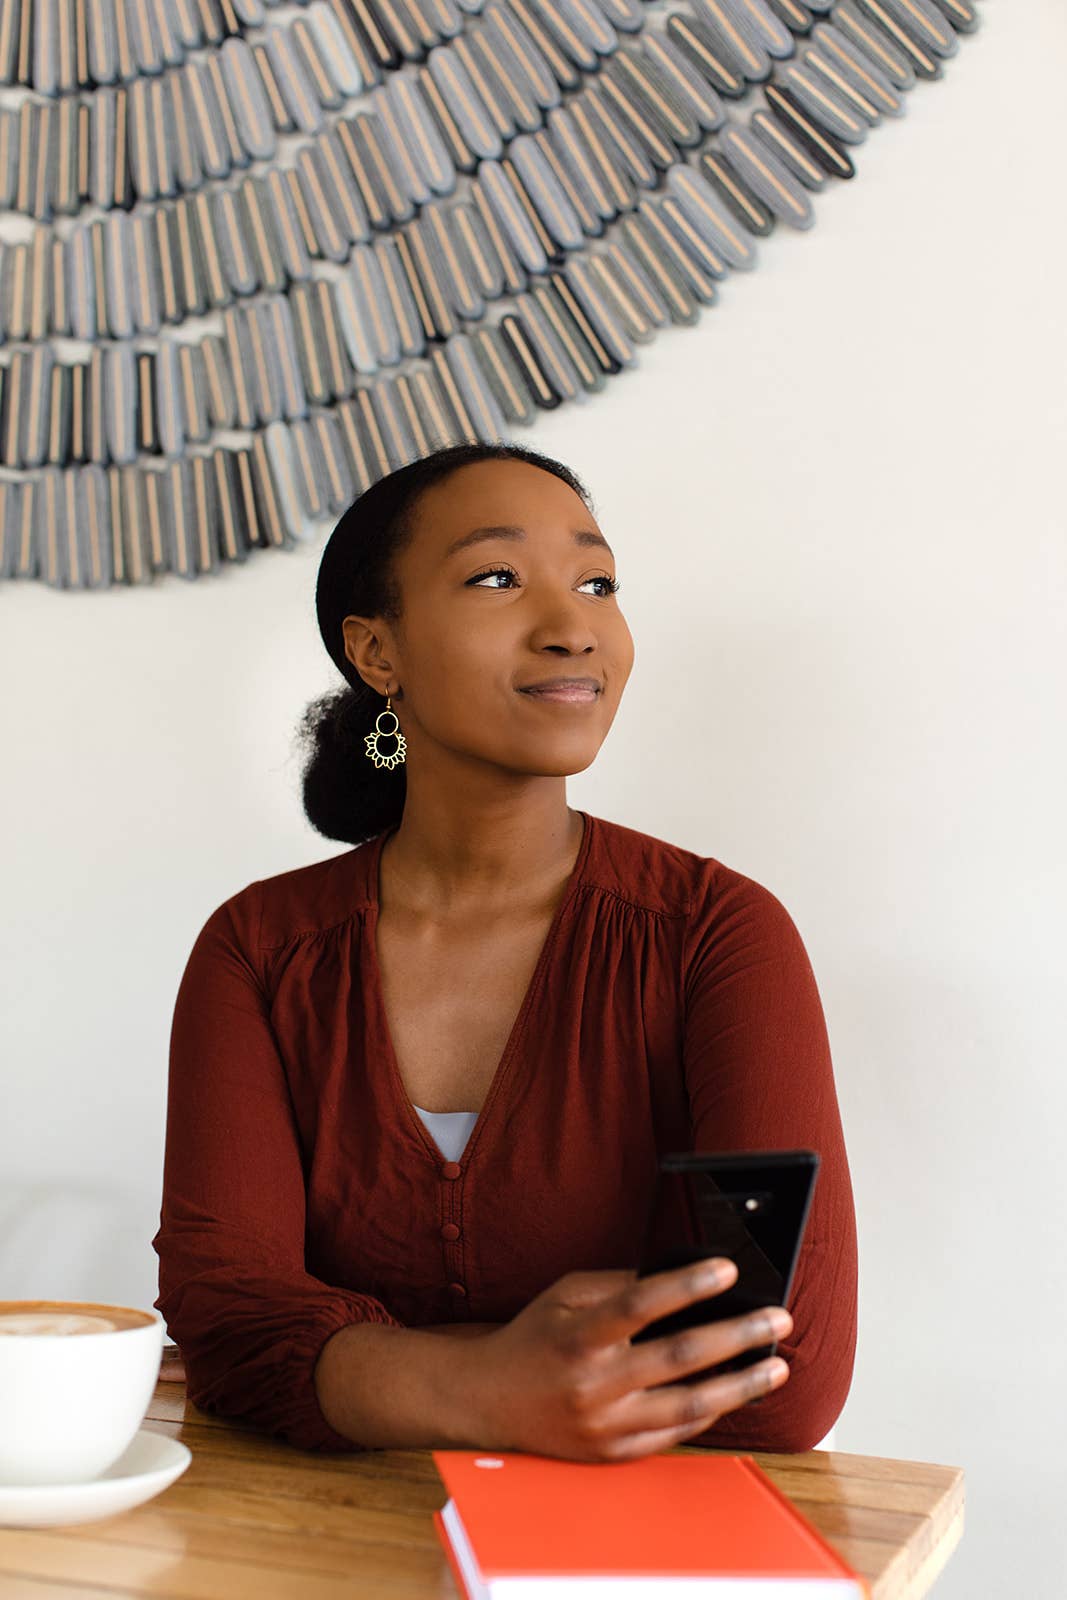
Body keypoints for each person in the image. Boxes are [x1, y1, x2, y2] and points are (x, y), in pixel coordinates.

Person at [152, 441, 858, 1463]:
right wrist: (486, 1385)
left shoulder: (717, 935)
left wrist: (370, 1366)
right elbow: (226, 1329)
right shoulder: (258, 953)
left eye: (597, 581)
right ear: (375, 650)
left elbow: (775, 1379)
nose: (573, 627)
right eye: (495, 577)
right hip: (319, 1547)